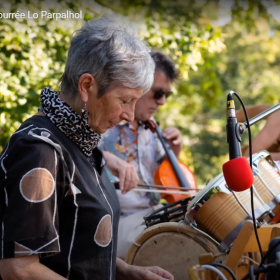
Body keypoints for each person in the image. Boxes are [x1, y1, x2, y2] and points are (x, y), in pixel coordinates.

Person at [0, 15, 173, 280]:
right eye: (125, 100)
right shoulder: (41, 150)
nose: (130, 115)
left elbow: (75, 239)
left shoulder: (82, 141)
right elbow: (18, 268)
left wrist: (128, 270)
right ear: (87, 86)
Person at [99, 50, 183, 259]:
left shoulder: (152, 130)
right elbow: (82, 151)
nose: (162, 101)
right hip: (119, 219)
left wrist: (175, 150)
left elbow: (165, 180)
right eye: (158, 93)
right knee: (172, 247)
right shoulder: (105, 121)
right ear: (140, 84)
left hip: (153, 212)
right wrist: (112, 161)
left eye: (166, 95)